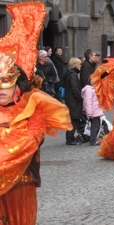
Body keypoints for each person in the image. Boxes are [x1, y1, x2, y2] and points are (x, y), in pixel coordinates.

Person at [0, 2, 72, 224]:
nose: (0, 89)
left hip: (21, 186)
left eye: (5, 82)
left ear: (18, 86)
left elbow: (27, 144)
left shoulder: (34, 112)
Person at [62, 57, 83, 145]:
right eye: (79, 64)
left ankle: (70, 137)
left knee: (72, 119)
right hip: (73, 101)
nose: (80, 66)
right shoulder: (73, 75)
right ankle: (70, 139)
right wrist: (80, 99)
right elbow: (75, 89)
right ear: (75, 65)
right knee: (74, 120)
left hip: (69, 100)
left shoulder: (68, 74)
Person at [81, 79, 104, 146]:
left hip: (96, 111)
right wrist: (90, 113)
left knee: (97, 126)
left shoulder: (92, 89)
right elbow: (88, 102)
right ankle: (93, 141)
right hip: (94, 112)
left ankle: (94, 139)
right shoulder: (89, 90)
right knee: (95, 127)